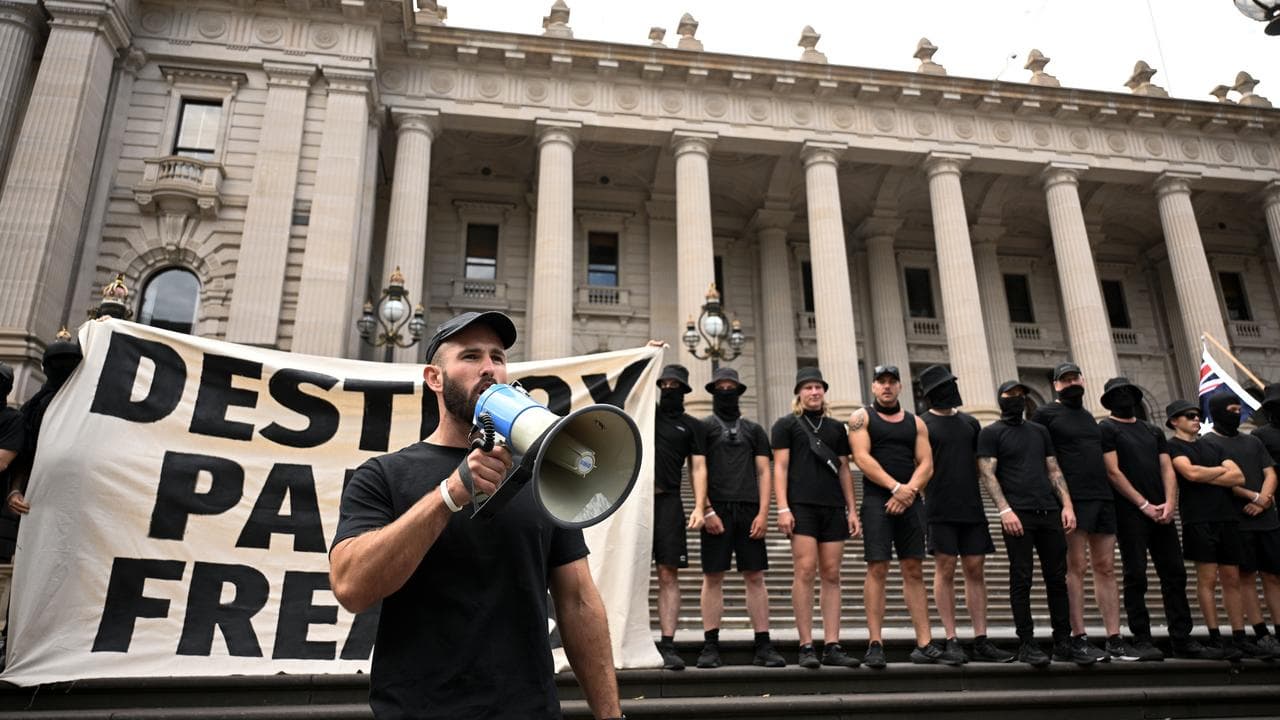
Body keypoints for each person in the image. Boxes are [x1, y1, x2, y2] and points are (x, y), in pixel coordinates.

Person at [329, 311, 623, 719]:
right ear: (434, 377)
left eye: (498, 358)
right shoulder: (383, 475)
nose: (489, 368)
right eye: (470, 356)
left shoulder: (542, 479)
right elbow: (351, 586)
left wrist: (610, 715)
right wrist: (450, 494)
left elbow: (578, 602)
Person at [849, 364, 961, 667]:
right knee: (878, 569)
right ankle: (875, 643)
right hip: (877, 501)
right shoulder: (861, 418)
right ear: (873, 387)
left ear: (900, 387)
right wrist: (896, 488)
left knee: (914, 569)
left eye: (892, 382)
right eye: (881, 382)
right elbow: (862, 458)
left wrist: (909, 491)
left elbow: (926, 464)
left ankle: (924, 642)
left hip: (910, 502)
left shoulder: (915, 422)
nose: (886, 387)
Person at [978, 380, 1093, 667]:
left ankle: (1063, 641)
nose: (1016, 399)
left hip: (1049, 512)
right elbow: (988, 475)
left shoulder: (1039, 431)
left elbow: (1053, 468)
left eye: (1021, 395)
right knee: (1021, 578)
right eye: (1010, 395)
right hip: (1018, 515)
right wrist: (1005, 510)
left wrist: (1066, 505)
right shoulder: (991, 433)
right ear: (1000, 399)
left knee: (1057, 578)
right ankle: (1027, 643)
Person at [917, 365, 1013, 663]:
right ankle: (951, 638)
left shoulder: (971, 424)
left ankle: (981, 638)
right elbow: (919, 465)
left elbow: (980, 467)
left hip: (971, 506)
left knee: (975, 569)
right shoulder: (922, 424)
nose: (952, 389)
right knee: (944, 569)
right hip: (939, 507)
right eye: (946, 385)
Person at [1097, 378, 1198, 661]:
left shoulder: (1152, 430)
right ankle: (1141, 637)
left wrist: (1169, 503)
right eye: (1118, 394)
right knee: (1135, 574)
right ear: (1109, 401)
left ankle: (1182, 637)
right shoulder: (1106, 428)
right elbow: (1113, 472)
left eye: (1129, 392)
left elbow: (1167, 468)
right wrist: (1142, 504)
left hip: (1162, 511)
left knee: (1175, 574)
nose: (1125, 398)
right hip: (1131, 513)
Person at [771, 367, 861, 669]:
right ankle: (806, 644)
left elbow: (845, 469)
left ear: (824, 392)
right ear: (799, 392)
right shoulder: (786, 425)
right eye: (808, 388)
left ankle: (832, 644)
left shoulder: (836, 428)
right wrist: (782, 507)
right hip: (801, 506)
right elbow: (780, 467)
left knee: (832, 574)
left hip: (833, 507)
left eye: (818, 388)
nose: (813, 392)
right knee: (806, 570)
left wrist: (852, 510)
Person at [696, 366, 783, 669]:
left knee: (755, 576)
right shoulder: (704, 428)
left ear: (739, 391)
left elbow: (764, 471)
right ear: (712, 391)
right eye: (721, 387)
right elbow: (698, 470)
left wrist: (763, 513)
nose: (726, 391)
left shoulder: (754, 430)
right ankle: (710, 645)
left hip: (749, 510)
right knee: (712, 577)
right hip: (716, 509)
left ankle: (763, 644)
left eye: (730, 386)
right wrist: (705, 508)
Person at [1030, 362, 1118, 662]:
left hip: (1102, 497)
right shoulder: (1044, 415)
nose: (1071, 384)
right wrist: (1061, 501)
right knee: (1075, 567)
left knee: (1105, 567)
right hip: (1072, 499)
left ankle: (1114, 637)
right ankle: (1078, 635)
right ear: (1056, 385)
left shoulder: (1091, 418)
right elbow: (1045, 461)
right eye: (1064, 380)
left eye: (1075, 378)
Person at [1164, 399, 1247, 660]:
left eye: (1198, 415)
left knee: (1232, 578)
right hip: (1197, 519)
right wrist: (1219, 472)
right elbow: (1190, 475)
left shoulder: (1212, 444)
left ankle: (1239, 635)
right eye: (1189, 416)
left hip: (1226, 517)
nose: (1196, 419)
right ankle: (1213, 636)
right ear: (1174, 421)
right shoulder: (1172, 446)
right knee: (1207, 579)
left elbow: (1238, 477)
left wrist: (1206, 472)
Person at [1200, 391, 1280, 659]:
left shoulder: (1253, 440)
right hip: (1236, 519)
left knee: (1273, 576)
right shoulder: (1208, 443)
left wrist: (1264, 500)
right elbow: (1224, 480)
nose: (1236, 413)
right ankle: (1260, 632)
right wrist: (1253, 497)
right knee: (1245, 577)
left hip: (1266, 518)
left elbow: (1270, 473)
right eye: (1231, 409)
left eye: (1238, 408)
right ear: (1217, 411)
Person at [651, 363, 708, 671]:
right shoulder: (646, 412)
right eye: (665, 384)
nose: (669, 389)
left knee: (667, 574)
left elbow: (698, 467)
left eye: (675, 385)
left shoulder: (693, 426)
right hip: (637, 502)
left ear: (685, 390)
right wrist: (648, 355)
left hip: (670, 502)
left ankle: (668, 643)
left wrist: (700, 506)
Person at [6, 328, 82, 517]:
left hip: (45, 496)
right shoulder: (82, 407)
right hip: (57, 499)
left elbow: (24, 455)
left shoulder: (32, 408)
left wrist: (15, 490)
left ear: (43, 368)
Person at [1250, 383, 1280, 648]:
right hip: (1271, 512)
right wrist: (1262, 500)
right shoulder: (1259, 436)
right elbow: (1261, 472)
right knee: (1271, 573)